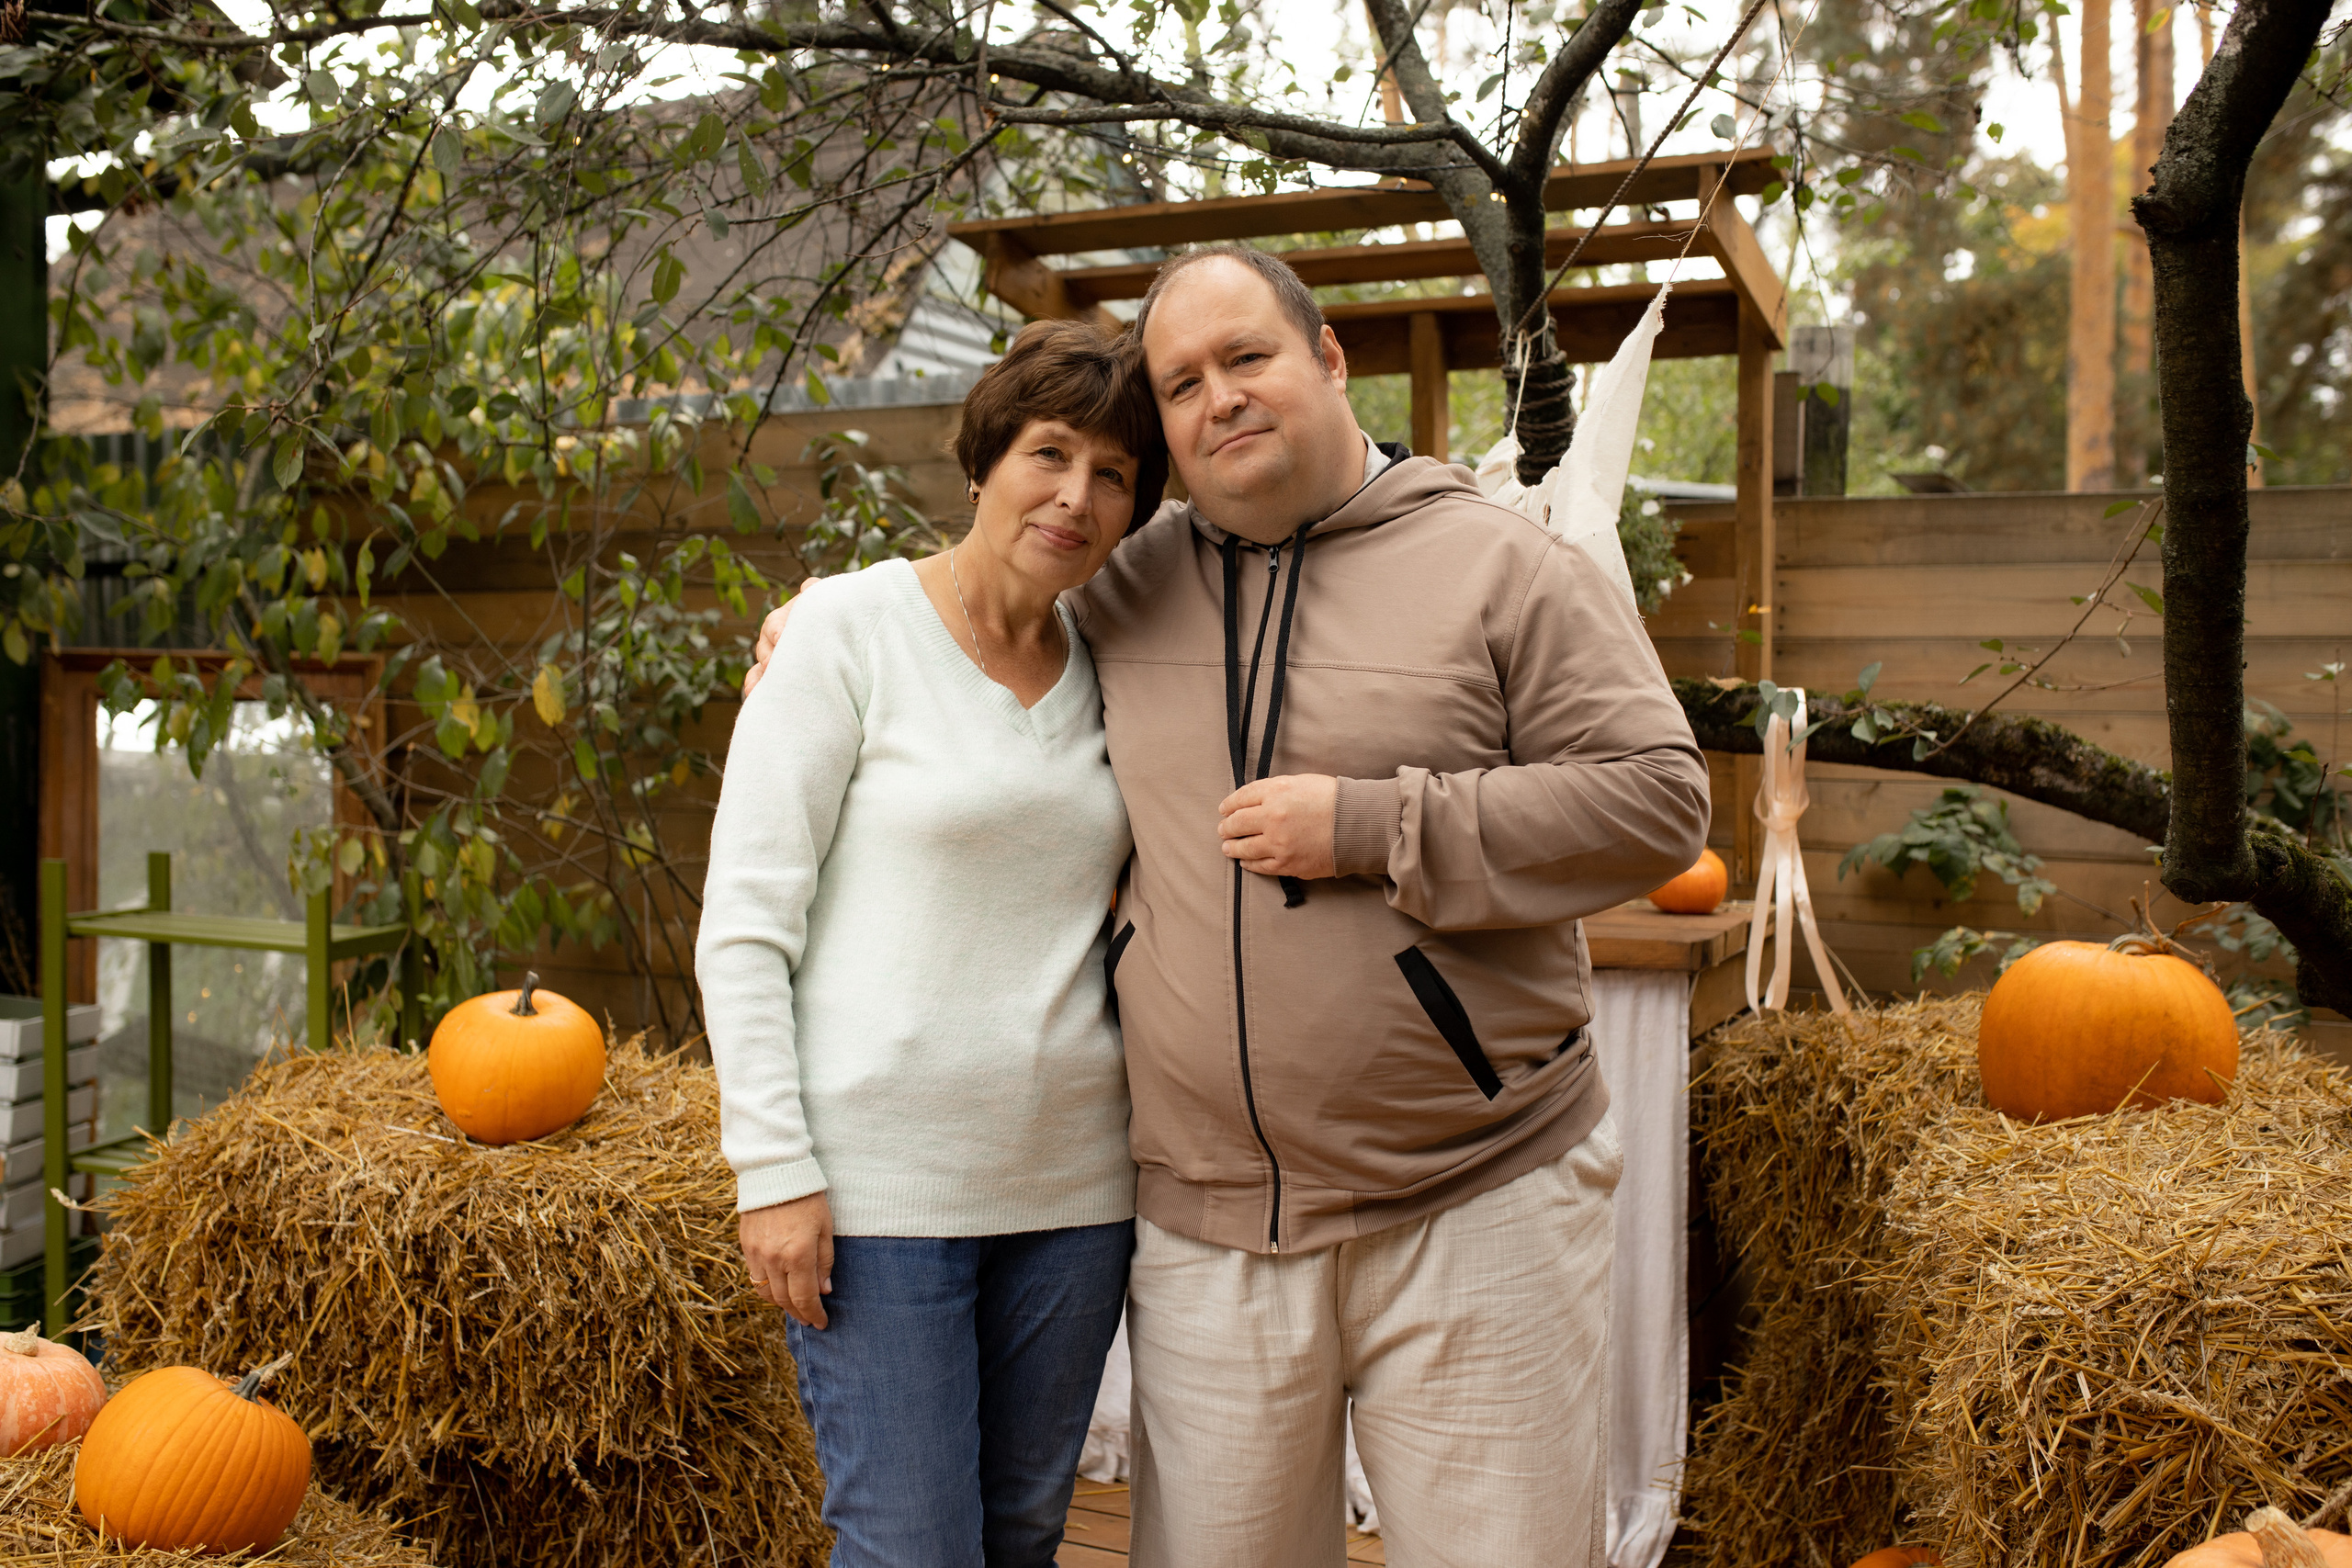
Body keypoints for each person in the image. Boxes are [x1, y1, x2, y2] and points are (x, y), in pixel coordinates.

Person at [748, 244, 1710, 1568]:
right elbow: (982, 595)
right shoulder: (1129, 584)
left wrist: (1377, 825)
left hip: (1473, 1197)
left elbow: (1660, 803)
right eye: (1181, 381)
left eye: (1246, 358)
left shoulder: (1508, 567)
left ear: (1325, 359)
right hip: (1208, 1230)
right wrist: (825, 616)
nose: (1220, 399)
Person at [698, 318, 1167, 1568]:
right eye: (1050, 454)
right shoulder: (844, 634)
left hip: (1076, 1191)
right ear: (984, 456)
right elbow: (745, 929)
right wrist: (772, 1170)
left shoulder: (1122, 658)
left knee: (1020, 1538)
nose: (1075, 496)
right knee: (908, 1545)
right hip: (878, 1195)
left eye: (1113, 474)